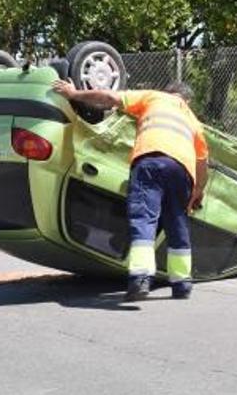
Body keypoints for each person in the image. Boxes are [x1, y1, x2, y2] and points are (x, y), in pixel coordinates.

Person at [52, 79, 209, 301]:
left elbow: (109, 98)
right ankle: (182, 284)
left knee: (144, 219)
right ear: (187, 100)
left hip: (150, 160)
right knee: (177, 222)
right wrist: (199, 189)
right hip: (181, 170)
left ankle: (141, 279)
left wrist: (74, 94)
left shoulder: (154, 96)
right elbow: (203, 162)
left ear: (168, 92)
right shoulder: (192, 120)